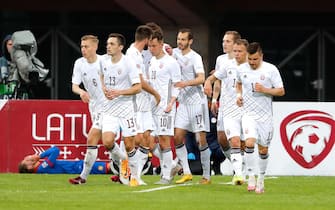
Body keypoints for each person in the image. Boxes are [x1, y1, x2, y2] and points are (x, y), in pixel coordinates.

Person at [69, 35, 126, 185]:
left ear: (95, 47)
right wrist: (81, 92)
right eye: (82, 46)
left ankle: (83, 177)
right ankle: (124, 170)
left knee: (92, 138)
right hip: (94, 107)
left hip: (109, 106)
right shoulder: (79, 63)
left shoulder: (104, 62)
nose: (83, 49)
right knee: (108, 143)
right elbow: (74, 85)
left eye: (86, 46)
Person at [236, 42, 285, 194]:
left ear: (261, 56)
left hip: (265, 117)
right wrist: (239, 95)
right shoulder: (241, 69)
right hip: (248, 114)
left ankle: (261, 180)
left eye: (255, 59)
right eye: (250, 59)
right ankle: (251, 176)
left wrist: (265, 89)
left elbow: (281, 91)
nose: (252, 62)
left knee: (263, 149)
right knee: (249, 142)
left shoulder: (271, 69)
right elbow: (238, 84)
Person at [204, 39, 249, 185]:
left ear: (246, 52)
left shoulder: (252, 67)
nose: (236, 54)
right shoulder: (226, 65)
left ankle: (246, 169)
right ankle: (238, 173)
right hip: (229, 109)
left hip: (247, 110)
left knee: (246, 143)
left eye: (239, 51)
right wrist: (208, 82)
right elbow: (214, 77)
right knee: (231, 140)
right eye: (234, 51)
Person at [100, 33, 142, 187]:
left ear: (120, 47)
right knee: (107, 142)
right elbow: (101, 75)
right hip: (110, 109)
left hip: (126, 109)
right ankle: (123, 160)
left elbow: (138, 87)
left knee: (130, 144)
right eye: (107, 43)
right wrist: (104, 88)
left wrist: (119, 92)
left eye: (111, 44)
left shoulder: (128, 63)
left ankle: (135, 177)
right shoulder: (104, 61)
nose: (108, 46)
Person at [172, 28, 211, 185]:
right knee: (177, 137)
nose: (180, 42)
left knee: (200, 140)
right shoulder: (173, 53)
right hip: (183, 102)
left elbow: (201, 78)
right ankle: (187, 172)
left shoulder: (195, 57)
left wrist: (184, 83)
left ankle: (206, 175)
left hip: (197, 102)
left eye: (183, 39)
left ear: (190, 41)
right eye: (179, 39)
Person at [126, 25, 160, 185]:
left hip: (144, 101)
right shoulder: (133, 55)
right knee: (137, 139)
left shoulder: (136, 53)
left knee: (147, 139)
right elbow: (139, 81)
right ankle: (127, 172)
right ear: (146, 39)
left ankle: (136, 176)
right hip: (137, 101)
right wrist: (156, 93)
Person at [148, 30, 181, 184]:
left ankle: (166, 175)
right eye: (149, 46)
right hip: (153, 106)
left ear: (161, 44)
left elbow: (177, 85)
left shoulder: (171, 62)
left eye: (154, 46)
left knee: (163, 140)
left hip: (166, 107)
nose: (151, 49)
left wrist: (171, 102)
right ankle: (172, 165)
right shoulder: (152, 61)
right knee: (147, 140)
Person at [211, 31, 242, 162]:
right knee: (222, 139)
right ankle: (237, 164)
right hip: (224, 103)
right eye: (223, 41)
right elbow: (218, 80)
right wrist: (214, 99)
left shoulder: (242, 59)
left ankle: (241, 169)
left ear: (236, 44)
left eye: (228, 41)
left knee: (238, 139)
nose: (224, 44)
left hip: (239, 104)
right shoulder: (221, 59)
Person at [19, 146, 111, 174]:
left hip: (78, 166)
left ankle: (124, 170)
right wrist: (40, 156)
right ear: (30, 167)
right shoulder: (42, 168)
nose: (28, 157)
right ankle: (124, 170)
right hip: (78, 168)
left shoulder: (41, 168)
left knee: (109, 167)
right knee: (108, 167)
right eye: (26, 160)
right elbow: (55, 150)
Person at [0, 34, 16, 99]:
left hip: (19, 100)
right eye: (9, 44)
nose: (12, 47)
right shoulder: (1, 61)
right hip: (2, 100)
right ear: (5, 46)